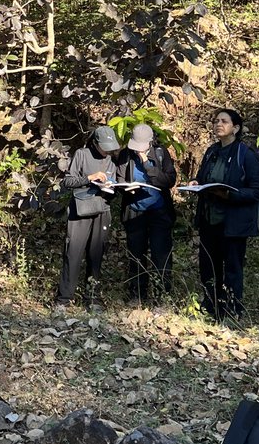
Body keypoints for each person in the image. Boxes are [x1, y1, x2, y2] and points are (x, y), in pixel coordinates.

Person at [194, 108, 259, 319]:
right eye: (216, 120)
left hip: (233, 222)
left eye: (224, 121)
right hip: (210, 220)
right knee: (208, 265)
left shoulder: (246, 155)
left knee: (232, 268)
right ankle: (211, 307)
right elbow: (203, 177)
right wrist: (196, 184)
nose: (218, 124)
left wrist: (230, 195)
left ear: (235, 128)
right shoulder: (212, 151)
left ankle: (233, 310)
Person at [55, 124, 121, 308]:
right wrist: (89, 178)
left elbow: (115, 183)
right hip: (81, 210)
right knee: (73, 254)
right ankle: (64, 299)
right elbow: (68, 181)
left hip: (102, 209)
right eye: (104, 148)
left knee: (96, 255)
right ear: (95, 143)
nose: (107, 152)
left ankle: (92, 298)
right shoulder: (82, 154)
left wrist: (113, 187)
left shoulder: (112, 160)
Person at [115, 123, 177, 304]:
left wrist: (146, 164)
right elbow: (120, 177)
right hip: (135, 211)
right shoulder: (126, 154)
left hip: (159, 212)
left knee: (161, 255)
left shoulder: (161, 153)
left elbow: (168, 180)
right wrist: (127, 189)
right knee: (136, 255)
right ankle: (136, 295)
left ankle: (162, 297)